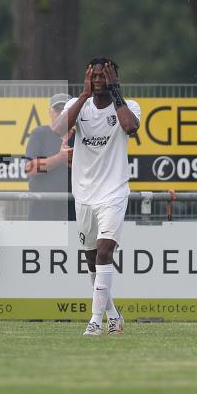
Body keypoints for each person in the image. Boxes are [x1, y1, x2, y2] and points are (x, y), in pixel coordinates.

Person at [53, 57, 140, 337]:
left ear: (114, 78)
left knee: (104, 251)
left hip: (113, 191)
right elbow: (57, 130)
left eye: (104, 76)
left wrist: (116, 92)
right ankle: (113, 314)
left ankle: (95, 321)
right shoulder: (78, 105)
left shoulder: (128, 106)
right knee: (92, 260)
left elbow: (131, 127)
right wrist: (84, 95)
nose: (99, 80)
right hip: (84, 193)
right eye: (95, 76)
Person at [24, 93, 74, 221]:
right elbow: (30, 168)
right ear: (50, 112)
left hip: (73, 210)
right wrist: (60, 158)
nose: (61, 114)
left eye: (66, 110)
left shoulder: (81, 137)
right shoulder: (39, 134)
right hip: (42, 211)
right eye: (58, 110)